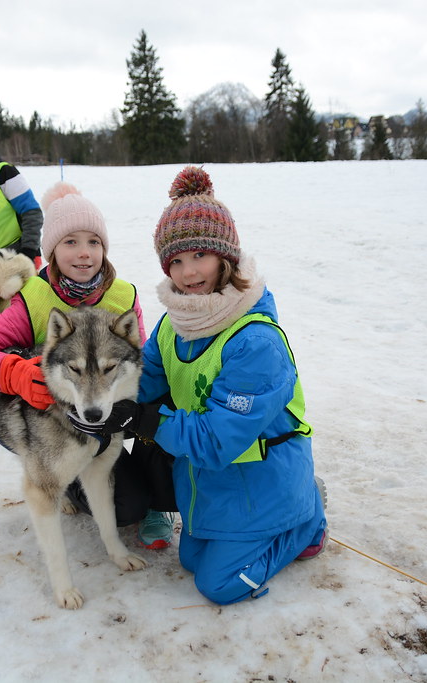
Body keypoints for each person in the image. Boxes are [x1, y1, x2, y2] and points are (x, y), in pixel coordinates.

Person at [98, 166, 327, 604]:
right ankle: (282, 522)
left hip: (262, 482)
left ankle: (305, 522)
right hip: (211, 485)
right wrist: (99, 399)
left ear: (225, 256)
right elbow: (140, 383)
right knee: (191, 561)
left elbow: (217, 440)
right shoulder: (174, 325)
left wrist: (145, 419)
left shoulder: (256, 342)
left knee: (219, 584)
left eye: (199, 255)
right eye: (176, 261)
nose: (188, 273)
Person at [0, 182, 176, 548]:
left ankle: (157, 502)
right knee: (118, 501)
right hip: (56, 426)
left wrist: (136, 410)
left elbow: (141, 364)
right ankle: (67, 486)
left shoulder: (123, 297)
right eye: (70, 242)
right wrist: (16, 373)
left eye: (93, 242)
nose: (84, 253)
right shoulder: (34, 298)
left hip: (107, 418)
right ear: (52, 250)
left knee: (161, 401)